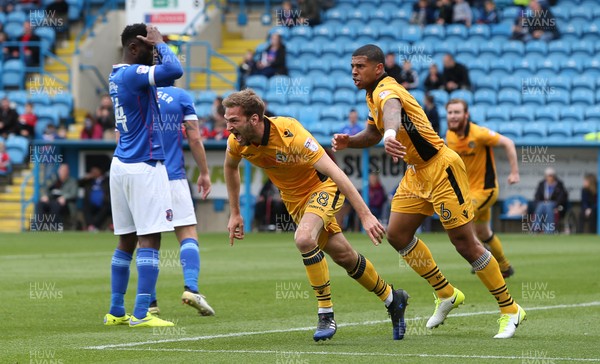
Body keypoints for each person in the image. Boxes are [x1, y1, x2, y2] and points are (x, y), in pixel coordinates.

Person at [332, 44, 525, 339]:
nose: (354, 72)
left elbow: (393, 112)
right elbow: (372, 132)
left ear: (378, 68)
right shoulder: (372, 96)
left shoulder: (386, 89)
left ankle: (510, 309)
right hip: (415, 173)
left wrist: (391, 133)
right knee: (397, 235)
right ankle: (446, 293)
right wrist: (350, 141)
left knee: (465, 243)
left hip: (440, 168)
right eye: (352, 67)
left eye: (360, 66)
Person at [223, 89, 409, 342]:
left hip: (323, 188)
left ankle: (325, 314)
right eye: (227, 121)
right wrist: (235, 213)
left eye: (233, 121)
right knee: (345, 257)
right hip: (296, 203)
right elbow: (230, 168)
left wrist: (365, 215)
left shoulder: (290, 133)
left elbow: (336, 173)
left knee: (303, 239)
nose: (229, 127)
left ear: (254, 119)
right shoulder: (237, 142)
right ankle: (392, 299)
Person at [103, 23, 183, 328]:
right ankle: (141, 312)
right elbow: (174, 70)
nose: (155, 54)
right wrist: (161, 42)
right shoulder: (131, 74)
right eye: (149, 49)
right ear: (133, 48)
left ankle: (115, 309)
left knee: (125, 239)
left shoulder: (116, 75)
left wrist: (158, 45)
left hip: (122, 163)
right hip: (144, 164)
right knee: (150, 237)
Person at [147, 85, 214, 317]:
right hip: (173, 176)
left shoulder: (131, 92)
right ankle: (191, 288)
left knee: (148, 240)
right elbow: (194, 138)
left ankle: (149, 302)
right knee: (187, 233)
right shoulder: (180, 96)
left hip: (142, 177)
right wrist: (204, 173)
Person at [445, 99, 518, 278]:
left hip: (486, 190)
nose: (453, 117)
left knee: (463, 215)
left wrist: (514, 172)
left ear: (466, 115)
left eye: (457, 112)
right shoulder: (449, 136)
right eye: (450, 113)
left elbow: (508, 143)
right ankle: (505, 266)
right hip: (467, 192)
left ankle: (480, 256)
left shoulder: (479, 134)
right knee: (484, 232)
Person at [36, 163, 77, 229]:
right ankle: (39, 226)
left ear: (68, 171)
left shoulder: (72, 181)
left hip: (65, 205)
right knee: (40, 204)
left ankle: (52, 227)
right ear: (58, 171)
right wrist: (45, 196)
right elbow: (45, 189)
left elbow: (74, 194)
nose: (62, 172)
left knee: (55, 205)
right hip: (51, 201)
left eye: (64, 170)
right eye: (61, 170)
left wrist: (64, 197)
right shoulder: (54, 180)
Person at [533, 168, 568, 234]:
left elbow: (562, 197)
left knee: (548, 205)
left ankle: (549, 230)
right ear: (545, 176)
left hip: (555, 204)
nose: (550, 177)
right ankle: (535, 229)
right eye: (548, 175)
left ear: (554, 176)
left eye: (551, 175)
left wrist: (557, 205)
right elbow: (537, 196)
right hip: (543, 204)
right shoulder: (541, 184)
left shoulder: (559, 184)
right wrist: (539, 203)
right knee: (540, 205)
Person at [79, 166, 111, 231]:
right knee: (85, 207)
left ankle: (93, 226)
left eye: (95, 171)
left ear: (100, 171)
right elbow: (79, 184)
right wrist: (86, 178)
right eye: (92, 171)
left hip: (104, 203)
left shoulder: (106, 180)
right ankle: (91, 226)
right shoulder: (89, 181)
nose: (93, 173)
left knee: (105, 208)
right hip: (91, 204)